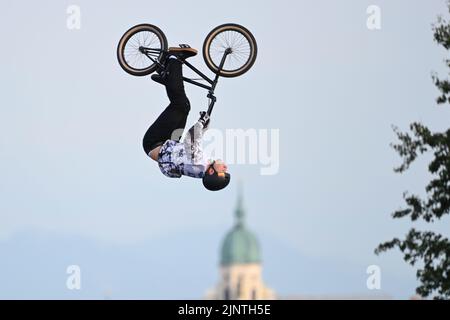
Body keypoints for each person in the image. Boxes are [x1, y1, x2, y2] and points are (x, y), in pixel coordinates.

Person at [142, 45, 230, 191]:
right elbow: (195, 142)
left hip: (154, 141)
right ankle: (169, 75)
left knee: (180, 105)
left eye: (223, 170)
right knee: (184, 107)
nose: (225, 167)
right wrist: (204, 125)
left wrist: (201, 123)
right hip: (168, 142)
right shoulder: (201, 167)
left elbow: (191, 139)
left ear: (211, 171)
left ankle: (174, 59)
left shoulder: (200, 164)